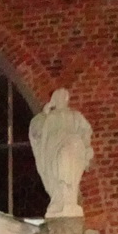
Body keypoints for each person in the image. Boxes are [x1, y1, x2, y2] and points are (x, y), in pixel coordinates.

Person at [28, 88, 93, 218]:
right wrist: (44, 114)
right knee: (56, 170)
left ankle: (68, 197)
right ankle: (59, 198)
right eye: (58, 97)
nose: (62, 100)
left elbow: (85, 132)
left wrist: (86, 148)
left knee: (67, 166)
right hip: (52, 148)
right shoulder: (47, 117)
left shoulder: (75, 116)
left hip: (72, 147)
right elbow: (36, 133)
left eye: (64, 97)